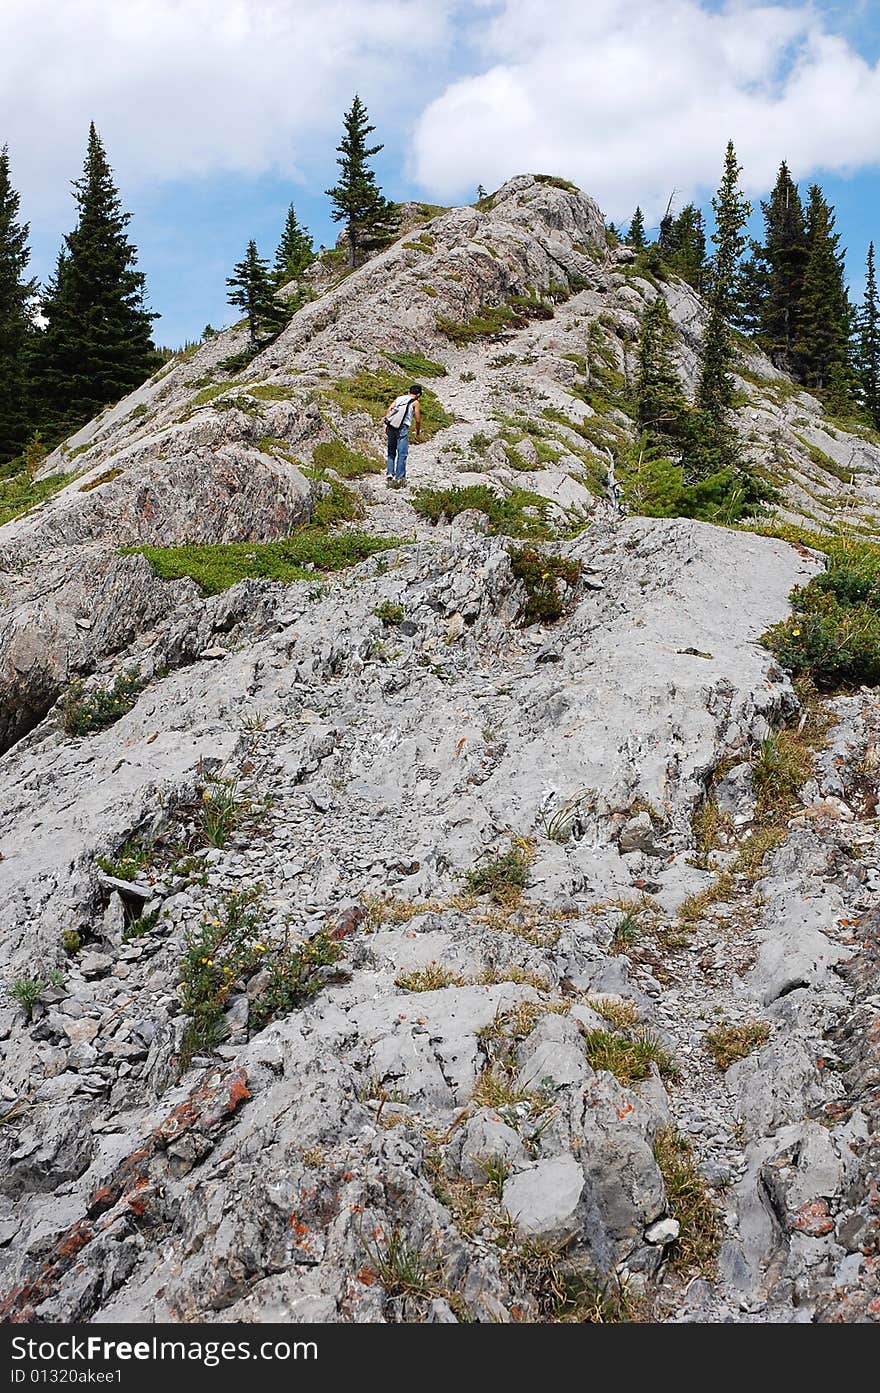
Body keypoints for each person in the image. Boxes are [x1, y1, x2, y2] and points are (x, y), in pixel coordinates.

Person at [384, 384, 422, 487]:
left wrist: (387, 424)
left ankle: (390, 473)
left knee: (391, 451)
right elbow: (417, 419)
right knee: (402, 453)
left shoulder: (399, 398)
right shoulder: (415, 402)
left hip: (392, 426)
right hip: (402, 428)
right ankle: (400, 477)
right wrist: (417, 432)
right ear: (418, 394)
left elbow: (389, 410)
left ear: (409, 391)